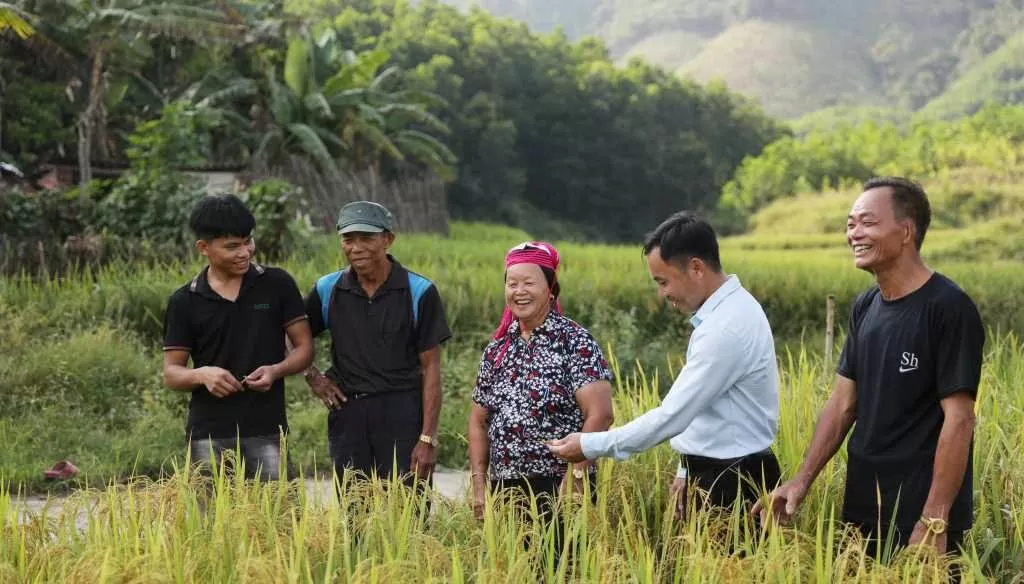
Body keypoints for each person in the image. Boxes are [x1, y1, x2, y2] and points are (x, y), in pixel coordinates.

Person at [754, 177, 985, 564]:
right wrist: (801, 480)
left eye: (867, 222)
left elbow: (960, 421)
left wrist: (935, 519)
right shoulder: (866, 306)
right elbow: (844, 404)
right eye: (850, 224)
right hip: (864, 507)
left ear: (906, 231)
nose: (854, 234)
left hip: (921, 517)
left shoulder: (948, 308)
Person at [547, 211, 781, 523]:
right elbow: (706, 407)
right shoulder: (729, 312)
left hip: (733, 482)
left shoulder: (726, 328)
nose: (663, 294)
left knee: (726, 570)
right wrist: (687, 467)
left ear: (696, 267)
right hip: (719, 470)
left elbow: (673, 416)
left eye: (663, 282)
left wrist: (589, 444)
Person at [301, 201, 452, 494]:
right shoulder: (328, 289)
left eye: (367, 238)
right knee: (356, 510)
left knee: (409, 509)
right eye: (348, 239)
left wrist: (427, 438)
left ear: (388, 239)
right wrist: (313, 376)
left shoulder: (418, 291)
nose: (356, 247)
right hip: (348, 412)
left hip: (402, 413)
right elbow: (292, 336)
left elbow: (431, 368)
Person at [162, 194, 314, 481]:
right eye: (232, 246)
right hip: (208, 433)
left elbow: (304, 348)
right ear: (203, 248)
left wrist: (276, 370)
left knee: (279, 519)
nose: (245, 252)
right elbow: (172, 373)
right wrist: (202, 375)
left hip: (267, 428)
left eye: (248, 241)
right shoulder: (185, 301)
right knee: (209, 523)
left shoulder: (277, 285)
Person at [468, 241, 615, 534]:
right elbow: (478, 420)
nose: (519, 291)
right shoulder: (497, 349)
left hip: (559, 486)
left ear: (550, 288)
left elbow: (600, 414)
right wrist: (479, 485)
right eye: (512, 283)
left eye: (528, 283)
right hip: (506, 489)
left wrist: (576, 477)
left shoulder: (575, 342)